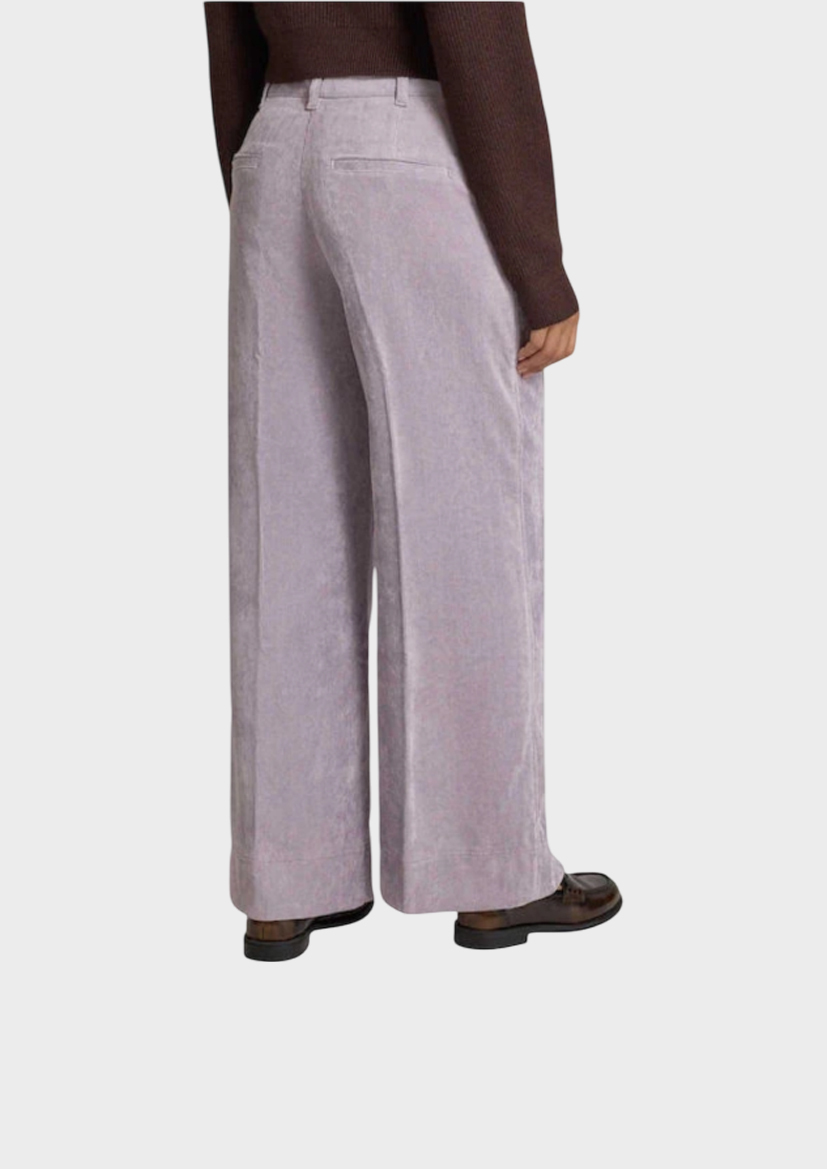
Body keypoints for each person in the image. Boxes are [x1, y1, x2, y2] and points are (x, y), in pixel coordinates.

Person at [204, 1, 622, 960]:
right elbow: (475, 28)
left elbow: (228, 32)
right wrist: (538, 263)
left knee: (284, 530)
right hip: (405, 147)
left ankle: (286, 882)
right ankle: (489, 876)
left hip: (273, 147)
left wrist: (265, 186)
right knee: (464, 522)